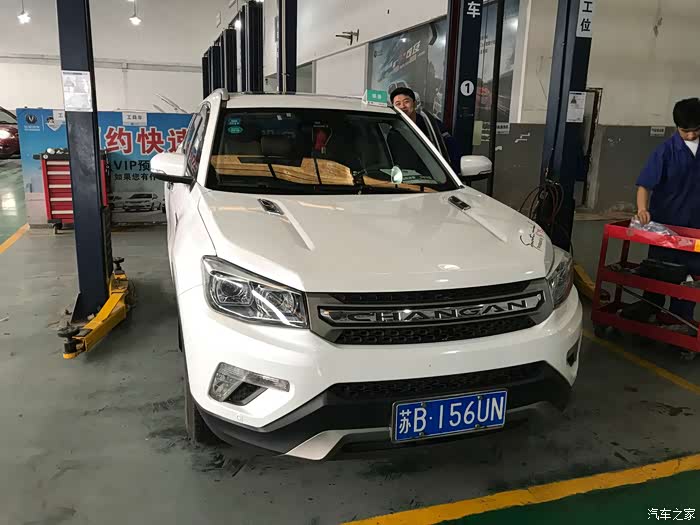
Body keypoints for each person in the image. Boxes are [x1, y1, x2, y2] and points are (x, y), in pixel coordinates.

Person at [624, 98, 700, 327]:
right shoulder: (665, 152)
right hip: (666, 226)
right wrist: (642, 209)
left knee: (690, 278)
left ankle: (680, 321)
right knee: (659, 271)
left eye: (696, 130)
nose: (691, 135)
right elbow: (645, 185)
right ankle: (650, 309)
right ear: (677, 127)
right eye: (685, 131)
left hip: (695, 229)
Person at [389, 87, 460, 173]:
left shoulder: (431, 124)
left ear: (414, 104)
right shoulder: (392, 132)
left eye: (406, 102)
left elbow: (452, 150)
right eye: (398, 104)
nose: (402, 106)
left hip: (433, 175)